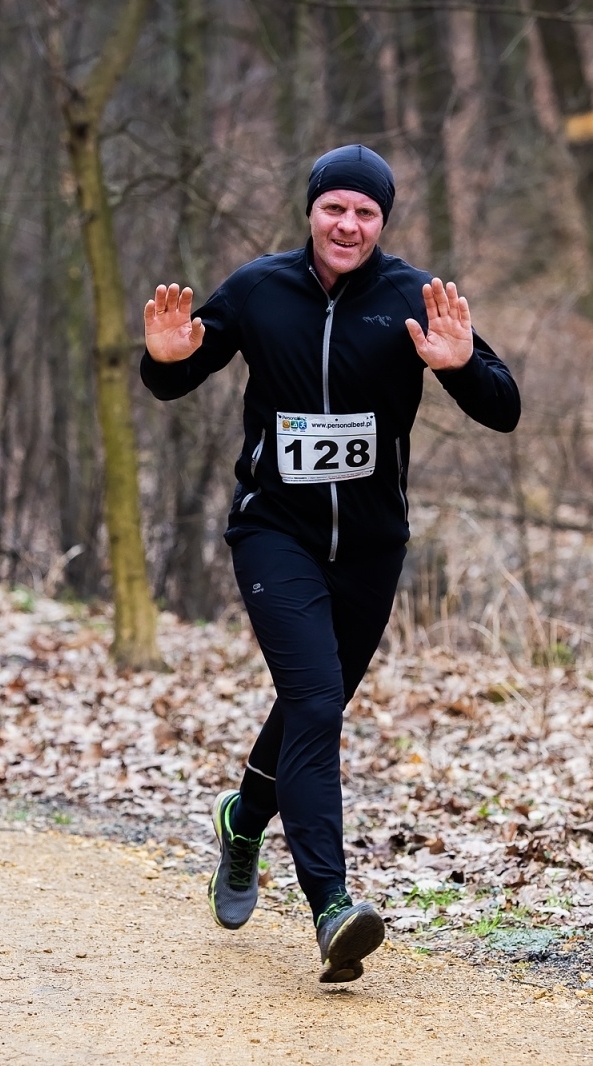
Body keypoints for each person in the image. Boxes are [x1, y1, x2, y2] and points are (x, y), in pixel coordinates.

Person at [140, 145, 520, 983]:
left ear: (383, 222)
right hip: (275, 532)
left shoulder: (412, 298)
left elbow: (505, 408)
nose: (347, 225)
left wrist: (460, 369)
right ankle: (331, 906)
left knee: (311, 707)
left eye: (365, 213)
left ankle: (243, 822)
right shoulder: (257, 289)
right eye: (333, 209)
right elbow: (175, 374)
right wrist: (165, 360)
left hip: (372, 551)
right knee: (315, 699)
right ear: (310, 211)